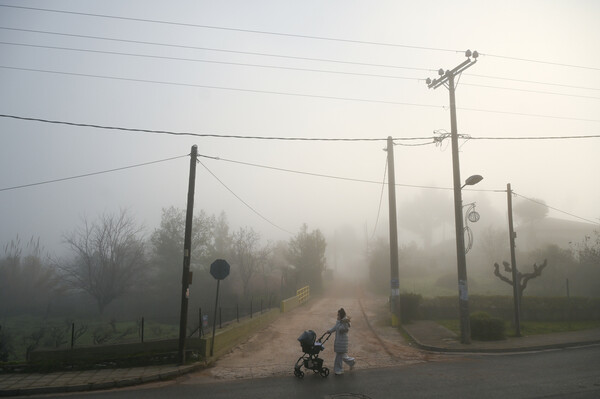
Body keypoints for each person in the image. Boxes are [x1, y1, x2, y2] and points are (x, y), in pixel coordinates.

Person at [327, 307, 355, 375]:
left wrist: (341, 322)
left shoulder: (345, 323)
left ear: (341, 316)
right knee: (342, 356)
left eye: (338, 315)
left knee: (338, 357)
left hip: (342, 342)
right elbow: (335, 327)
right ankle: (351, 362)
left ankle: (339, 370)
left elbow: (341, 330)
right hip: (339, 341)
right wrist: (329, 331)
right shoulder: (340, 321)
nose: (337, 316)